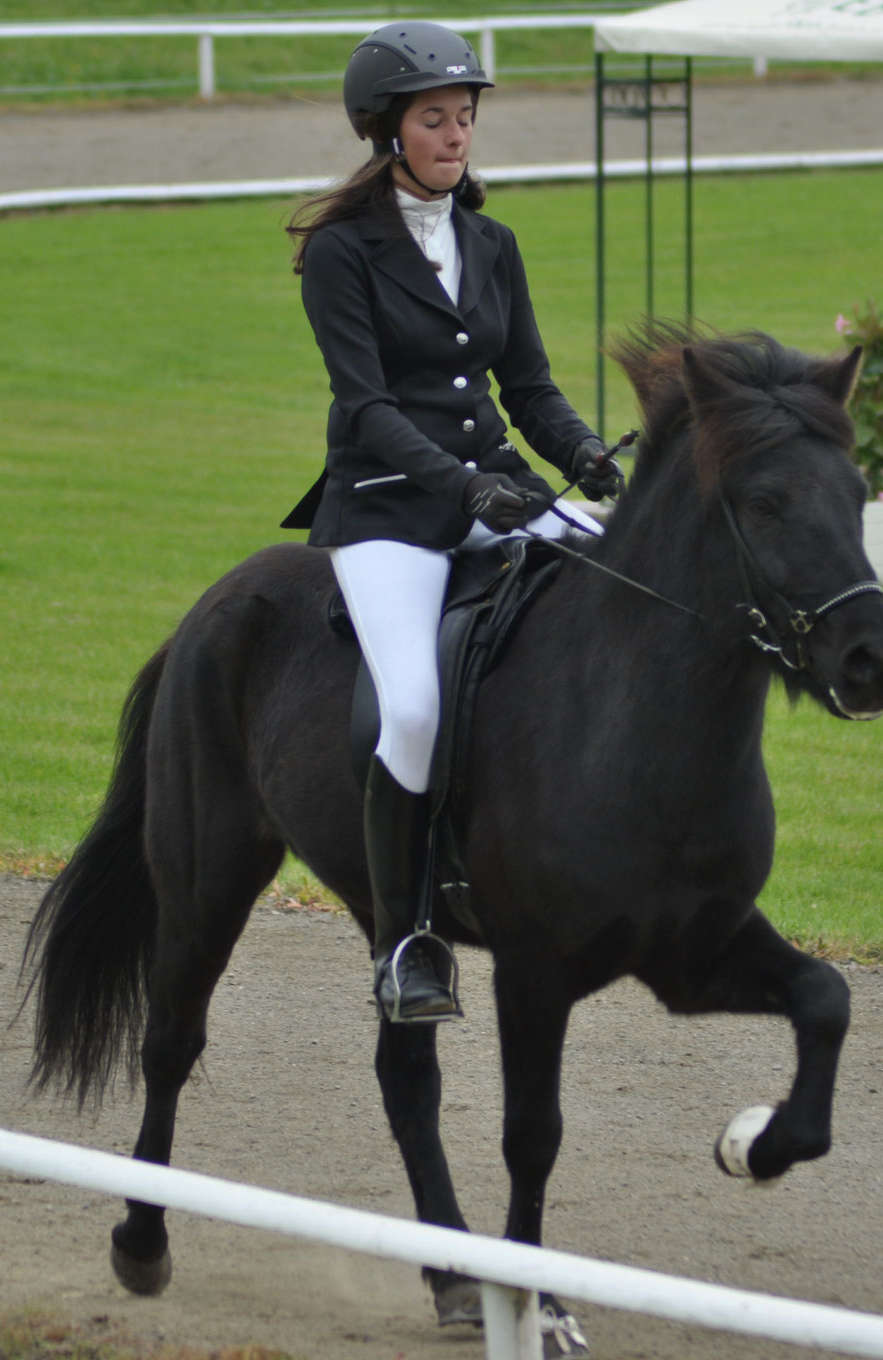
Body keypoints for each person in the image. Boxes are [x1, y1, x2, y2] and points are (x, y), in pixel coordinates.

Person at [282, 22, 623, 1024]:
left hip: (501, 491)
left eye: (464, 116)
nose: (455, 133)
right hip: (387, 512)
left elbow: (527, 385)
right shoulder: (343, 254)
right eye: (434, 118)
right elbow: (367, 407)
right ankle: (405, 943)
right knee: (415, 709)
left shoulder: (490, 243)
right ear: (387, 132)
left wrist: (582, 455)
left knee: (630, 597)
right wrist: (461, 488)